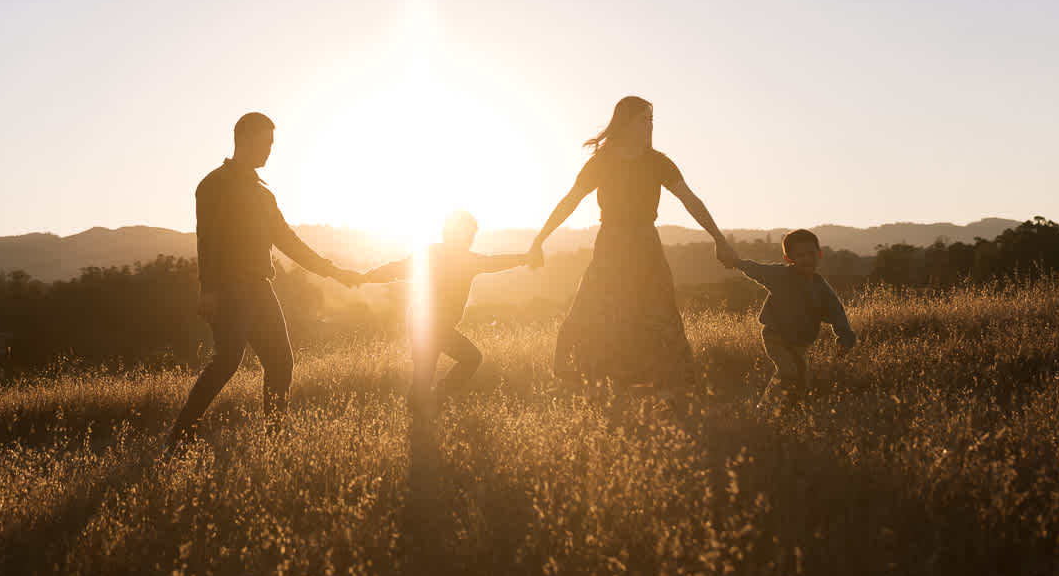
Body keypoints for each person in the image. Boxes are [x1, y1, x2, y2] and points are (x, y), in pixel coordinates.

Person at [165, 112, 361, 451]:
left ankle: (275, 439)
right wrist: (207, 290)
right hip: (228, 290)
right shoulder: (214, 185)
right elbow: (206, 241)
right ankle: (179, 438)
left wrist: (333, 271)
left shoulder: (262, 193)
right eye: (266, 143)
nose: (270, 150)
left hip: (260, 288)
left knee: (281, 362)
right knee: (227, 362)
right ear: (247, 138)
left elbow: (288, 241)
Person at [527, 95, 731, 397]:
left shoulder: (657, 162)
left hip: (646, 244)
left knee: (659, 311)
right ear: (625, 122)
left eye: (651, 120)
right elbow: (569, 202)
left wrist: (720, 239)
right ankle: (591, 384)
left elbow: (690, 200)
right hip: (611, 244)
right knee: (595, 308)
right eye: (643, 118)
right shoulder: (602, 163)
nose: (649, 125)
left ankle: (667, 389)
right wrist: (539, 239)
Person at [358, 210, 534, 411]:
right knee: (468, 359)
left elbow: (397, 269)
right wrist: (524, 258)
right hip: (428, 323)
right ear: (455, 234)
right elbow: (398, 269)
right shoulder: (450, 257)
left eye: (472, 236)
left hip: (421, 321)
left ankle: (422, 414)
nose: (470, 240)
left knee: (424, 374)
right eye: (468, 235)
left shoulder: (447, 255)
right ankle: (435, 401)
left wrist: (364, 278)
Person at [716, 228, 856, 403]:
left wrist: (845, 338)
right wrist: (736, 262)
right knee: (788, 373)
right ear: (789, 259)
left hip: (800, 343)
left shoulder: (821, 288)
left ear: (819, 254)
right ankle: (766, 409)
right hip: (776, 338)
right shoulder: (781, 276)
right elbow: (758, 270)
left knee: (801, 383)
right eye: (801, 255)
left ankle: (788, 413)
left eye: (810, 254)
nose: (807, 259)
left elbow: (837, 313)